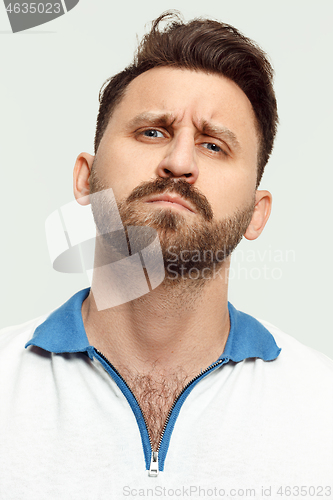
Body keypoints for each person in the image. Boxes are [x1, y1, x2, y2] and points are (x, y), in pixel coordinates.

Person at [1, 11, 332, 499]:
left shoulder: (323, 408)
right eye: (152, 131)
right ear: (85, 179)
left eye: (213, 145)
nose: (179, 162)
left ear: (257, 214)